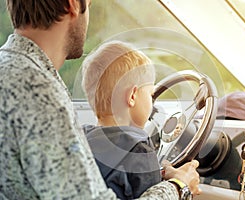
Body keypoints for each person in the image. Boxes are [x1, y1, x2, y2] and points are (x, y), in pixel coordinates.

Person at [0, 0, 201, 199]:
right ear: (73, 4)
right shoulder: (38, 91)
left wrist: (161, 174)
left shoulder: (11, 70)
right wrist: (178, 186)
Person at [81, 40, 163, 199]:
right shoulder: (140, 152)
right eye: (150, 95)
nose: (152, 102)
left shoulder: (80, 137)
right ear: (132, 96)